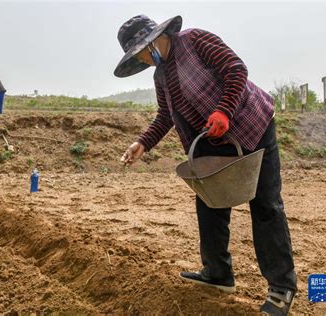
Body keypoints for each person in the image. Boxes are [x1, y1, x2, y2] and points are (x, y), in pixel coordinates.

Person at [115, 15, 297, 315]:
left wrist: (224, 110)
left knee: (266, 205)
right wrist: (143, 143)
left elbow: (235, 69)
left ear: (156, 37)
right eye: (139, 56)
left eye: (145, 50)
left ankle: (281, 287)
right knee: (210, 203)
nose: (146, 58)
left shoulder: (195, 40)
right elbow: (166, 116)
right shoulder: (160, 76)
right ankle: (218, 273)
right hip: (216, 140)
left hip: (253, 126)